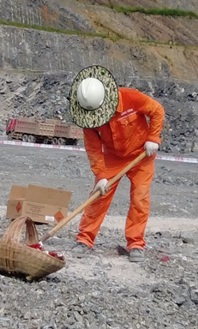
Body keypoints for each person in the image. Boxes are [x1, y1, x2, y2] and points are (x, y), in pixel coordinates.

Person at [68, 65, 165, 262]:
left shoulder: (130, 97)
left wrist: (153, 138)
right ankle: (85, 239)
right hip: (112, 157)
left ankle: (136, 243)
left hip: (141, 155)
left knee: (140, 198)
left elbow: (157, 110)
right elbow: (94, 150)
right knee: (99, 195)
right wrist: (101, 175)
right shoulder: (88, 117)